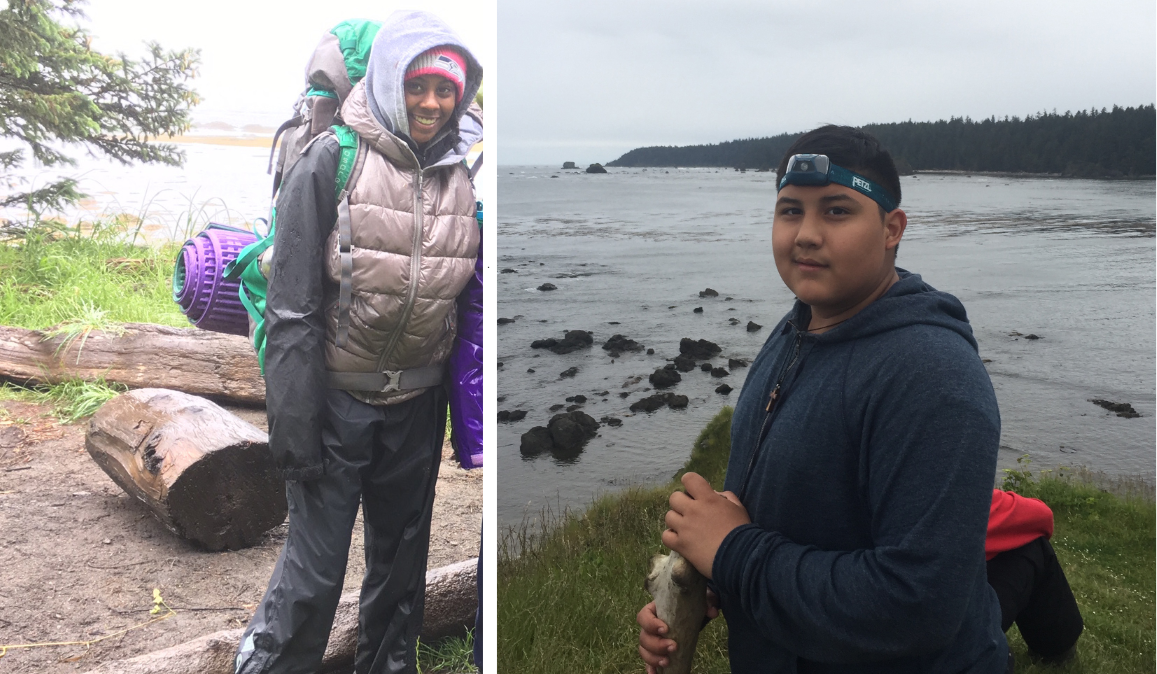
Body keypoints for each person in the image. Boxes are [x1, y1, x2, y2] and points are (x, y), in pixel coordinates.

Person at [638, 125, 1009, 673]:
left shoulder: (934, 378)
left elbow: (919, 606)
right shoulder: (797, 331)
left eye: (836, 211)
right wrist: (715, 576)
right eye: (790, 211)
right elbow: (789, 517)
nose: (805, 234)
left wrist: (734, 551)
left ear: (891, 228)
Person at [233, 11, 483, 674]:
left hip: (417, 410)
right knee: (312, 579)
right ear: (387, 81)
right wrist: (293, 424)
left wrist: (471, 422)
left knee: (400, 582)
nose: (431, 102)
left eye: (446, 89)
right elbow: (291, 304)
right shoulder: (330, 159)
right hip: (333, 404)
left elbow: (470, 306)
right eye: (417, 85)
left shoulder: (462, 178)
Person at [986, 489, 1083, 665]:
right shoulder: (947, 495)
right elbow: (1041, 516)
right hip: (944, 632)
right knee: (1032, 544)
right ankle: (1057, 649)